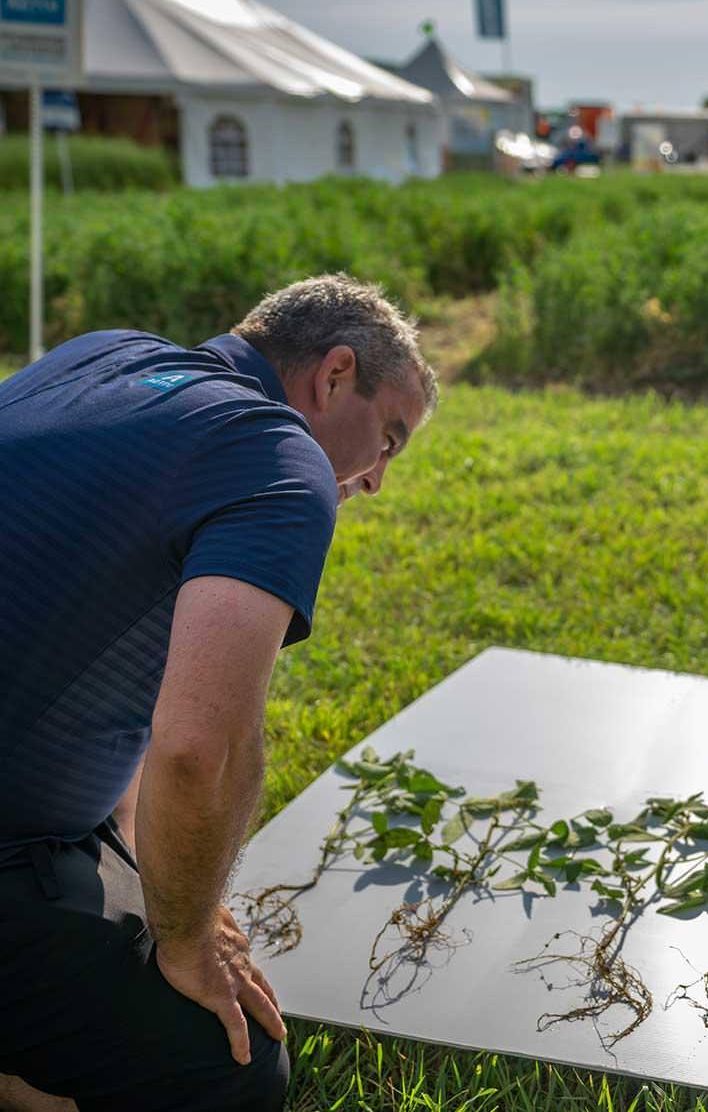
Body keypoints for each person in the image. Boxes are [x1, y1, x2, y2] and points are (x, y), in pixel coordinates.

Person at [0, 274, 436, 1112]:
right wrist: (186, 934)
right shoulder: (277, 454)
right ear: (334, 374)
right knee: (227, 1066)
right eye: (389, 438)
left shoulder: (102, 356)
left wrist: (149, 872)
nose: (378, 478)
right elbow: (203, 749)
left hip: (33, 812)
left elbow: (125, 692)